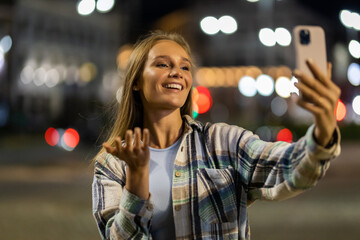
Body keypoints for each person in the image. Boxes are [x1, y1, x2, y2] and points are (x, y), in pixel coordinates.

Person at [92, 30, 341, 240]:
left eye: (185, 66)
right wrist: (136, 179)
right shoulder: (112, 163)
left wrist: (323, 130)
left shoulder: (222, 143)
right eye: (162, 64)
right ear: (136, 80)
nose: (177, 72)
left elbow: (286, 167)